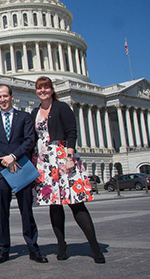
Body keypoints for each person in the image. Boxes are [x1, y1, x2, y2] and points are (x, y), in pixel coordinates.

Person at [30, 76, 105, 264]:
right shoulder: (34, 112)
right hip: (44, 162)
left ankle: (94, 246)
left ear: (52, 89)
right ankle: (61, 244)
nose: (43, 91)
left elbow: (72, 131)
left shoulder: (62, 107)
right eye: (40, 88)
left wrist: (70, 157)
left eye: (46, 87)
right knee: (54, 206)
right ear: (36, 91)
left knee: (76, 203)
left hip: (64, 157)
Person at [0, 85, 48, 264]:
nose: (2, 100)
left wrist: (13, 156)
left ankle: (33, 248)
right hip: (0, 169)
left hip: (21, 167)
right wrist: (3, 158)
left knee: (26, 211)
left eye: (5, 96)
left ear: (12, 97)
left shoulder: (25, 117)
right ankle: (3, 250)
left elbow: (29, 140)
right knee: (1, 213)